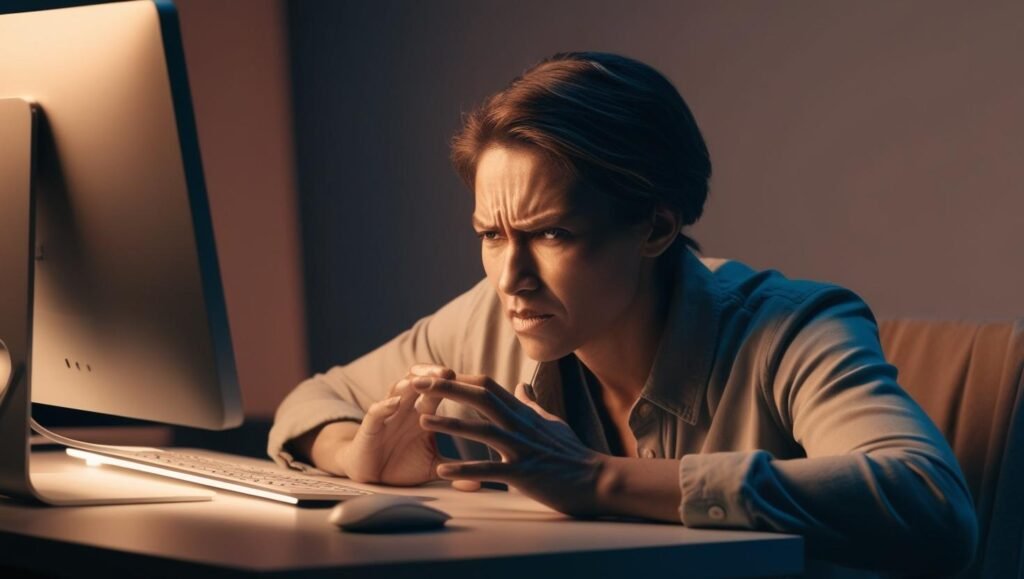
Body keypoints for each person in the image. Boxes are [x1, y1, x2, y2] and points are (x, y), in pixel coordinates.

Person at [268, 52, 977, 574]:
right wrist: (353, 453)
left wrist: (594, 478)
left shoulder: (793, 327)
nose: (510, 277)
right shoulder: (497, 316)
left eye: (552, 234)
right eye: (490, 235)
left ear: (656, 228)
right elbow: (313, 400)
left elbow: (929, 500)